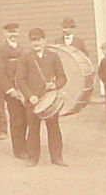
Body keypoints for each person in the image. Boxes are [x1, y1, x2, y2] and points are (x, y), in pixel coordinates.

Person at [14, 28, 67, 166]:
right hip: (33, 101)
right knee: (33, 129)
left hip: (49, 100)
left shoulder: (53, 56)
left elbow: (62, 77)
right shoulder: (25, 58)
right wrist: (30, 96)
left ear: (44, 40)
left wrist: (55, 85)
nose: (36, 43)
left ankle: (57, 157)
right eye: (33, 40)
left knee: (54, 128)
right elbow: (20, 80)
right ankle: (33, 158)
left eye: (38, 39)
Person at [0, 22, 28, 157]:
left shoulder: (22, 49)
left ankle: (25, 147)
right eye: (10, 32)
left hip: (24, 90)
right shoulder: (1, 50)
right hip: (12, 92)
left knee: (25, 119)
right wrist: (10, 90)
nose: (13, 35)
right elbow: (0, 73)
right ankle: (19, 150)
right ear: (5, 34)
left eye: (15, 32)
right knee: (17, 120)